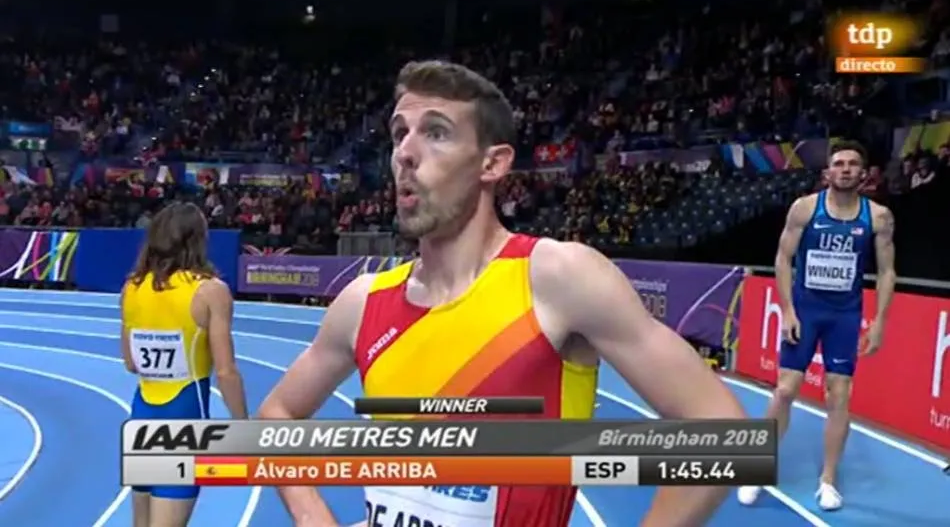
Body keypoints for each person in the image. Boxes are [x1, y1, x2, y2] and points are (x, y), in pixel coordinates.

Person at [258, 60, 746, 527]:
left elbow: (721, 428)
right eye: (399, 133)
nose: (405, 152)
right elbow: (276, 413)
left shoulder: (556, 279)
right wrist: (313, 517)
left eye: (436, 132)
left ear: (492, 163)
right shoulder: (363, 303)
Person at [737, 141, 896, 511]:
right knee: (785, 391)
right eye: (838, 163)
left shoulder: (878, 217)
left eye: (852, 164)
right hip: (806, 312)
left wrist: (880, 321)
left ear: (863, 173)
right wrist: (787, 310)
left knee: (839, 396)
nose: (845, 169)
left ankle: (828, 480)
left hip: (844, 316)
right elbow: (783, 258)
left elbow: (887, 271)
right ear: (827, 172)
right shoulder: (805, 208)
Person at [121, 202, 248, 527]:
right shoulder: (210, 292)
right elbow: (226, 372)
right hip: (184, 420)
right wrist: (243, 426)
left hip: (142, 418)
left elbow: (131, 363)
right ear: (198, 240)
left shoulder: (132, 287)